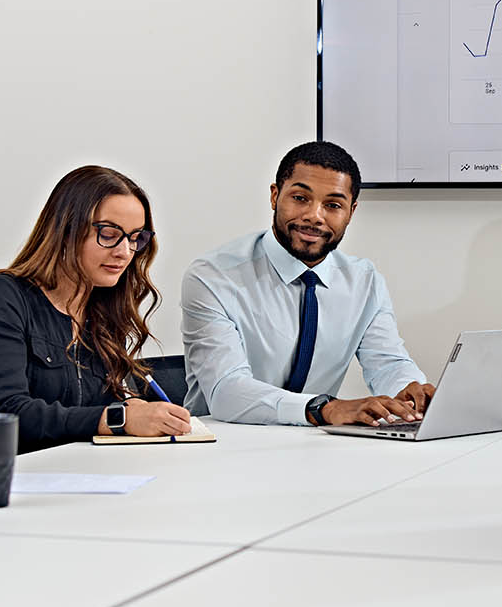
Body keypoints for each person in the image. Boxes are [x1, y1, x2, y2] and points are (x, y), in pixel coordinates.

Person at [181, 141, 433, 426]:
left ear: (351, 211)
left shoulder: (364, 281)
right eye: (300, 198)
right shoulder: (213, 277)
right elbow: (226, 392)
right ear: (275, 196)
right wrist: (323, 409)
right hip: (223, 446)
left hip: (314, 447)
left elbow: (387, 362)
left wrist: (408, 392)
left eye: (333, 205)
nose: (315, 216)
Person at [0, 166, 192, 449]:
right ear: (65, 229)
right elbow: (3, 413)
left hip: (82, 475)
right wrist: (117, 418)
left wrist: (132, 406)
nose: (124, 251)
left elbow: (86, 410)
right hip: (15, 480)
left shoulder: (101, 311)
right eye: (108, 233)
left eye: (135, 238)